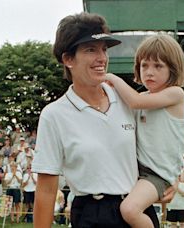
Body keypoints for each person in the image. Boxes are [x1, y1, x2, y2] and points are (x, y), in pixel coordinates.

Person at [32, 12, 170, 228]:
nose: (102, 58)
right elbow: (47, 190)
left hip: (135, 210)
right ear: (68, 59)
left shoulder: (129, 100)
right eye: (90, 50)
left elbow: (158, 148)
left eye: (104, 50)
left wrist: (168, 180)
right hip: (91, 215)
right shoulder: (54, 115)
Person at [106, 33, 184, 228]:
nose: (149, 72)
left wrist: (111, 78)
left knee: (130, 209)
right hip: (135, 168)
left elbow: (135, 101)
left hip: (156, 174)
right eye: (144, 65)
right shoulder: (143, 96)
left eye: (158, 66)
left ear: (173, 69)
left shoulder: (175, 94)